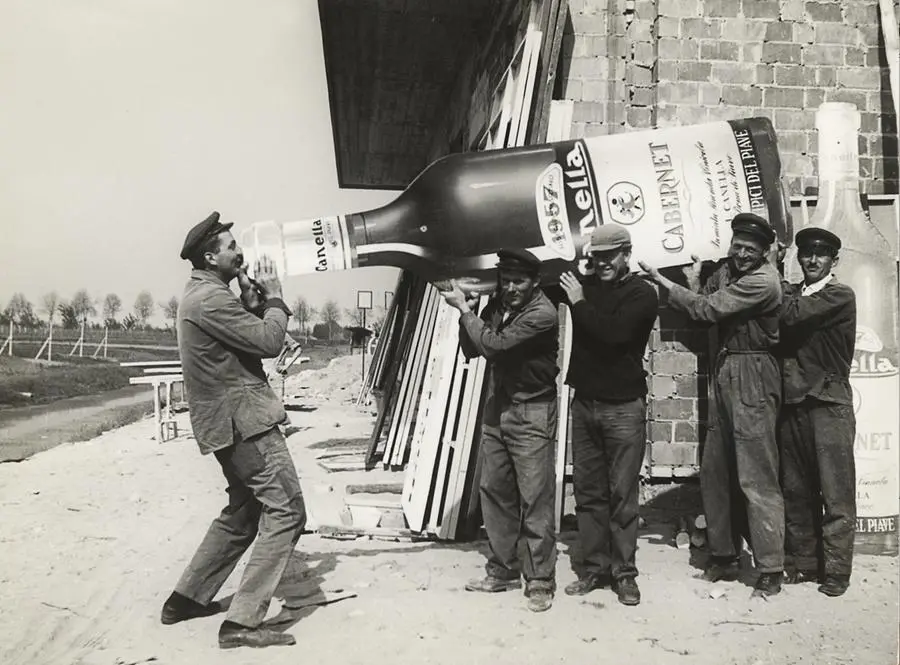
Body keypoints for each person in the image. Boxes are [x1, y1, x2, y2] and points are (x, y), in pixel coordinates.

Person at [161, 211, 306, 649]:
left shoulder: (205, 296)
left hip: (227, 423)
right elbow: (267, 342)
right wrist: (277, 299)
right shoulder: (210, 300)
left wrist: (249, 301)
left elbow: (238, 339)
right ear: (210, 256)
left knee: (245, 511)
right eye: (230, 247)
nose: (239, 252)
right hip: (245, 425)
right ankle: (242, 622)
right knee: (287, 510)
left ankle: (186, 598)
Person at [639, 212, 785, 598]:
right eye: (737, 246)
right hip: (725, 369)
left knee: (756, 475)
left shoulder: (762, 280)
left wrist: (665, 284)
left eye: (750, 250)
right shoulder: (729, 272)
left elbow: (708, 309)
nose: (741, 254)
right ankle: (723, 555)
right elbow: (707, 298)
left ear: (765, 252)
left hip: (754, 371)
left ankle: (770, 568)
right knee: (716, 470)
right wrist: (692, 280)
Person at [439, 248, 560, 613]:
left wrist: (464, 311)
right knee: (494, 490)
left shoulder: (542, 313)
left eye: (519, 281)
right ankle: (503, 569)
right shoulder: (499, 306)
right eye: (506, 280)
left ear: (535, 282)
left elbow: (494, 346)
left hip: (532, 411)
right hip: (499, 407)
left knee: (534, 497)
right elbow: (472, 348)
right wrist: (472, 313)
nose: (511, 288)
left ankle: (540, 580)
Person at [557, 225, 659, 607]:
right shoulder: (586, 285)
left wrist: (579, 302)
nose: (602, 263)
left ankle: (624, 573)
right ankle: (594, 568)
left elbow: (614, 334)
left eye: (610, 255)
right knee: (588, 493)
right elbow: (548, 279)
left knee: (622, 494)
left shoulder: (642, 294)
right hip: (585, 403)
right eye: (597, 256)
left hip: (623, 407)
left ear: (626, 254)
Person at [777, 227, 856, 597]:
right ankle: (805, 565)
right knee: (796, 489)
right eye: (806, 253)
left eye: (820, 255)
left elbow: (790, 317)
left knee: (836, 493)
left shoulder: (839, 295)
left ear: (833, 261)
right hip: (793, 402)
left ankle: (837, 572)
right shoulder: (791, 293)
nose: (811, 260)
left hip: (829, 403)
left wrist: (773, 283)